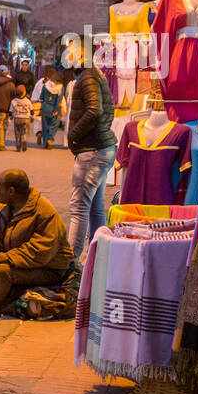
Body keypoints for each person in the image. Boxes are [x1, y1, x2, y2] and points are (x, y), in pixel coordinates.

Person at [0, 170, 75, 329]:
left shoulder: (44, 212)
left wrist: (8, 257)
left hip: (49, 268)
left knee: (4, 270)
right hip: (24, 259)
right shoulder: (4, 208)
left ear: (11, 191)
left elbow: (40, 251)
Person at [65, 57, 116, 261]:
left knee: (79, 207)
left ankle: (71, 263)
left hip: (92, 150)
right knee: (94, 207)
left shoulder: (88, 77)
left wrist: (73, 135)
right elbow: (107, 111)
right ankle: (98, 259)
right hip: (100, 148)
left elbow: (95, 111)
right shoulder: (94, 75)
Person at [38, 70, 64, 149]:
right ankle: (49, 140)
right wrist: (56, 110)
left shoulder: (45, 85)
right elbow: (59, 100)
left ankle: (45, 142)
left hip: (45, 108)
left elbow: (41, 97)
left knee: (45, 125)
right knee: (54, 125)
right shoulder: (60, 87)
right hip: (54, 108)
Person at [10, 85, 33, 153]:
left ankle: (18, 146)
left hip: (17, 118)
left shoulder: (13, 101)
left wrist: (11, 116)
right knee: (25, 131)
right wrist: (32, 117)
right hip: (26, 118)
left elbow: (10, 112)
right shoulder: (28, 101)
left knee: (17, 133)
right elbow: (32, 110)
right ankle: (24, 140)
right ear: (24, 92)